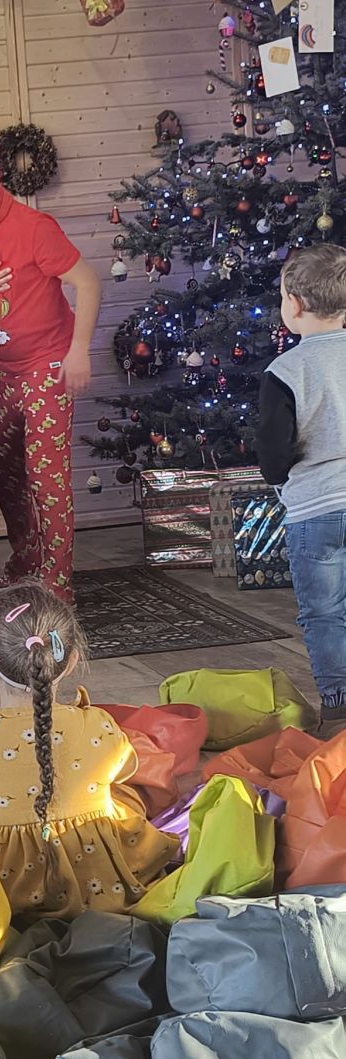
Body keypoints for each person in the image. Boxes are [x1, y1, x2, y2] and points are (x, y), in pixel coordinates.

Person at [0, 136, 102, 600]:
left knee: (46, 474)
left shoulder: (32, 227)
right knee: (3, 466)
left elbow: (88, 282)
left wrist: (79, 350)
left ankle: (57, 585)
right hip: (4, 368)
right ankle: (27, 561)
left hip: (48, 362)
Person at [0, 583, 177, 919]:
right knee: (123, 793)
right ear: (71, 662)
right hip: (97, 888)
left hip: (1, 891)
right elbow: (128, 768)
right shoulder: (96, 725)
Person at [255, 243, 346, 735]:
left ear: (294, 304)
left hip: (316, 510)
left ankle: (339, 711)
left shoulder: (285, 372)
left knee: (324, 613)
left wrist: (280, 478)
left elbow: (274, 455)